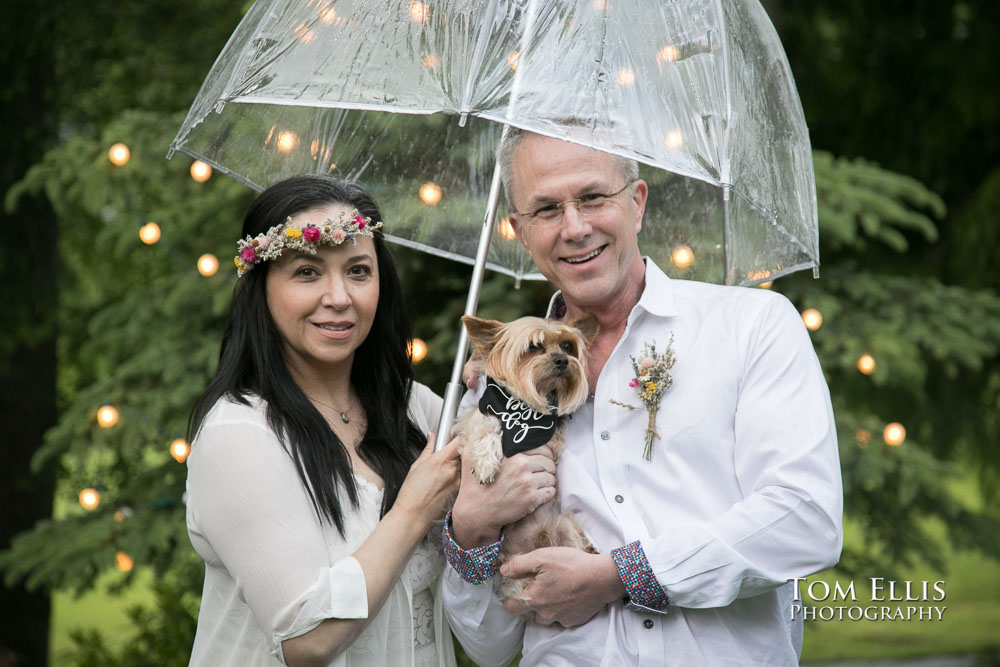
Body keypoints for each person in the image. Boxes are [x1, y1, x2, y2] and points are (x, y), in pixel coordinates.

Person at [440, 128, 843, 666]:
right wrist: (471, 530)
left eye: (592, 197)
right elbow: (488, 647)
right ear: (517, 230)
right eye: (545, 209)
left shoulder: (751, 326)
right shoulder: (492, 394)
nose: (574, 228)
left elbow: (805, 520)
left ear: (637, 201)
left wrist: (616, 576)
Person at [185, 174, 461, 667]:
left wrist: (508, 380)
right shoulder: (240, 435)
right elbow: (306, 639)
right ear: (262, 286)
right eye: (307, 273)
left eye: (358, 271)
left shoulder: (415, 410)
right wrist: (414, 510)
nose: (339, 297)